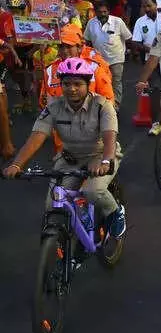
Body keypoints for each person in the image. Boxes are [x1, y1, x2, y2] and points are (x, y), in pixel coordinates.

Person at [3, 57, 126, 239]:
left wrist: (106, 161)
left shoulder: (102, 106)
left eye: (77, 84)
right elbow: (37, 136)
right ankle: (70, 243)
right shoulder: (53, 107)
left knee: (92, 192)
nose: (72, 89)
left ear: (88, 84)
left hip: (99, 157)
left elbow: (109, 137)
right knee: (53, 205)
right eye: (66, 84)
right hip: (69, 159)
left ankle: (116, 213)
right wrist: (17, 164)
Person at [83, 0, 132, 107]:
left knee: (116, 83)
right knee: (102, 83)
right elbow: (86, 41)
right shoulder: (91, 23)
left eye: (105, 12)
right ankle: (104, 106)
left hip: (116, 59)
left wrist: (132, 53)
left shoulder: (118, 21)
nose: (102, 14)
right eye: (99, 12)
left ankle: (116, 106)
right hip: (99, 61)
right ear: (95, 12)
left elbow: (128, 38)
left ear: (109, 11)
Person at [130, 0, 161, 134]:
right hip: (151, 62)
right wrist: (152, 50)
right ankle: (157, 122)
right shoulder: (140, 22)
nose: (146, 8)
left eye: (149, 5)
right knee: (155, 92)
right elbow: (136, 42)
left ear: (156, 5)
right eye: (143, 6)